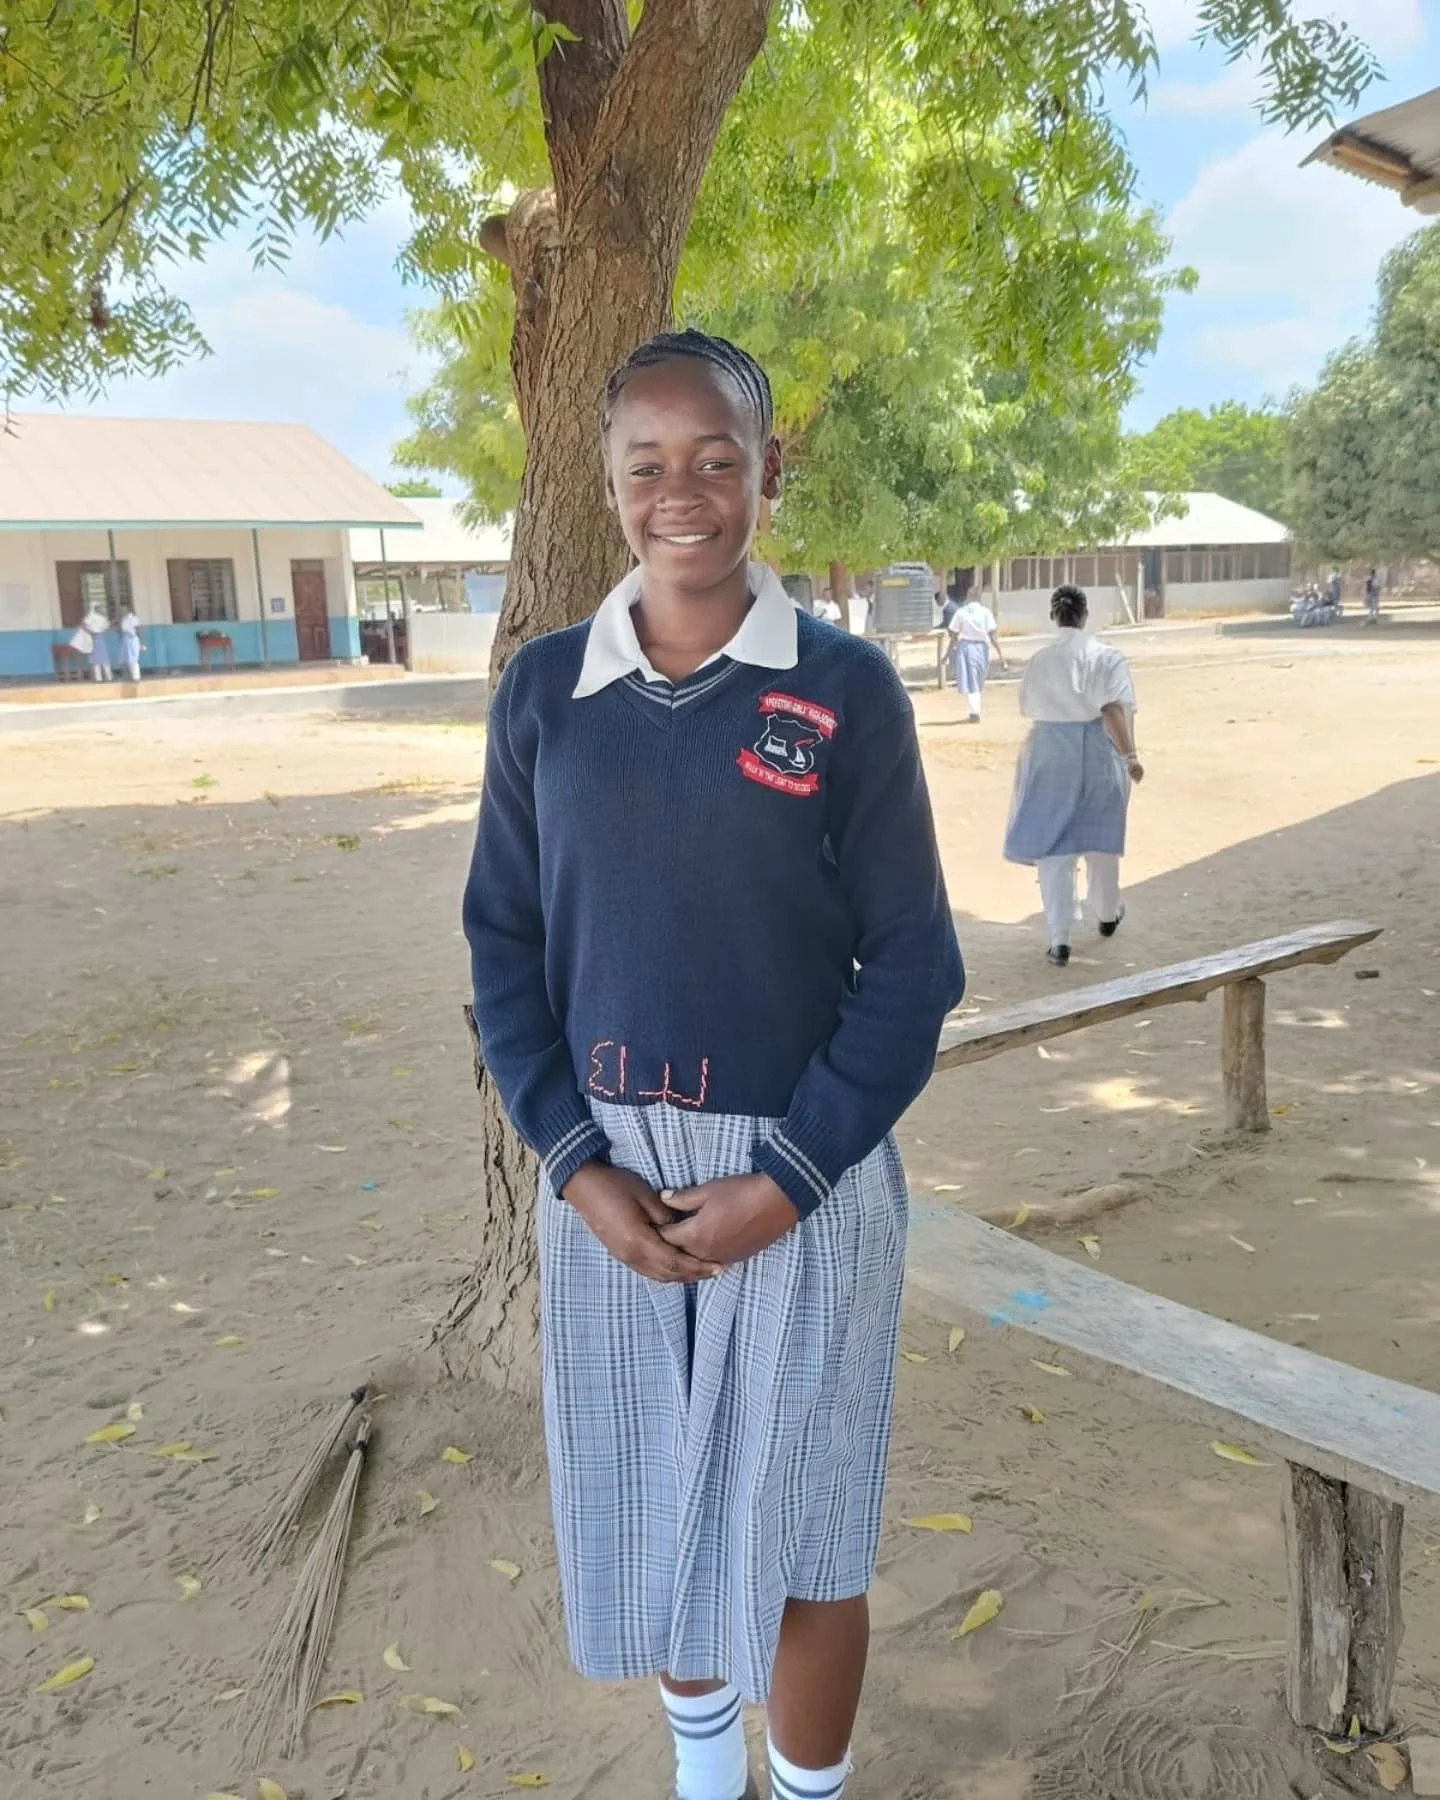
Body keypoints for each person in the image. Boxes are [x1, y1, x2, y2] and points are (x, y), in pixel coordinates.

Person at [463, 328, 963, 1800]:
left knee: (805, 1526)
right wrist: (573, 1161)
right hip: (612, 1181)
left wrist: (790, 1176)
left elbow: (916, 966)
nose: (682, 492)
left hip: (794, 1174)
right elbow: (501, 943)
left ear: (768, 471)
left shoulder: (843, 688)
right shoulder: (548, 691)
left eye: (718, 460)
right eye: (647, 464)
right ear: (605, 479)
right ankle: (703, 1781)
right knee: (654, 1510)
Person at [1003, 584, 1143, 966]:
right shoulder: (1106, 657)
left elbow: (1027, 707)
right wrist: (1130, 755)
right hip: (1098, 750)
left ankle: (1060, 937)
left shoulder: (1039, 661)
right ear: (1084, 615)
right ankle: (1107, 914)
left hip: (1049, 752)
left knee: (1055, 849)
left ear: (1055, 616)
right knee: (1101, 843)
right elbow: (1113, 710)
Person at [943, 587, 1006, 722]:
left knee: (973, 680)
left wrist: (947, 654)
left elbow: (953, 635)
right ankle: (974, 711)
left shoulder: (961, 612)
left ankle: (974, 710)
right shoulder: (985, 612)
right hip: (982, 648)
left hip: (966, 647)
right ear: (979, 597)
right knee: (977, 679)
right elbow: (993, 635)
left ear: (968, 596)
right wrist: (1001, 656)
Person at [81, 602, 113, 681]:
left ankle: (109, 677)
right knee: (96, 660)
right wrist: (91, 633)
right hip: (94, 637)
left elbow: (106, 626)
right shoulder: (91, 616)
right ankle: (99, 678)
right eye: (98, 607)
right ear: (95, 608)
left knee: (104, 658)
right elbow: (84, 625)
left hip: (100, 637)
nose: (100, 609)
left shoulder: (102, 617)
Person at [118, 606, 145, 681]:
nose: (122, 612)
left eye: (123, 610)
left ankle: (136, 677)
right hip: (125, 640)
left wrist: (142, 642)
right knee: (126, 659)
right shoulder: (123, 619)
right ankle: (128, 676)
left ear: (128, 611)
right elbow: (121, 630)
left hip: (132, 639)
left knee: (134, 658)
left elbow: (138, 630)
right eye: (121, 611)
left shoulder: (133, 618)